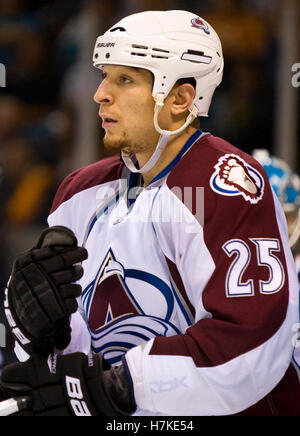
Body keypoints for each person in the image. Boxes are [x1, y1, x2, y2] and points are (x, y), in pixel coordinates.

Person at [1, 10, 300, 416]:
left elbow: (249, 344)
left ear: (180, 99)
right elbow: (65, 361)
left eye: (125, 79)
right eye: (105, 76)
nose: (100, 93)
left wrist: (118, 390)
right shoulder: (79, 193)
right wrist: (37, 328)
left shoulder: (222, 183)